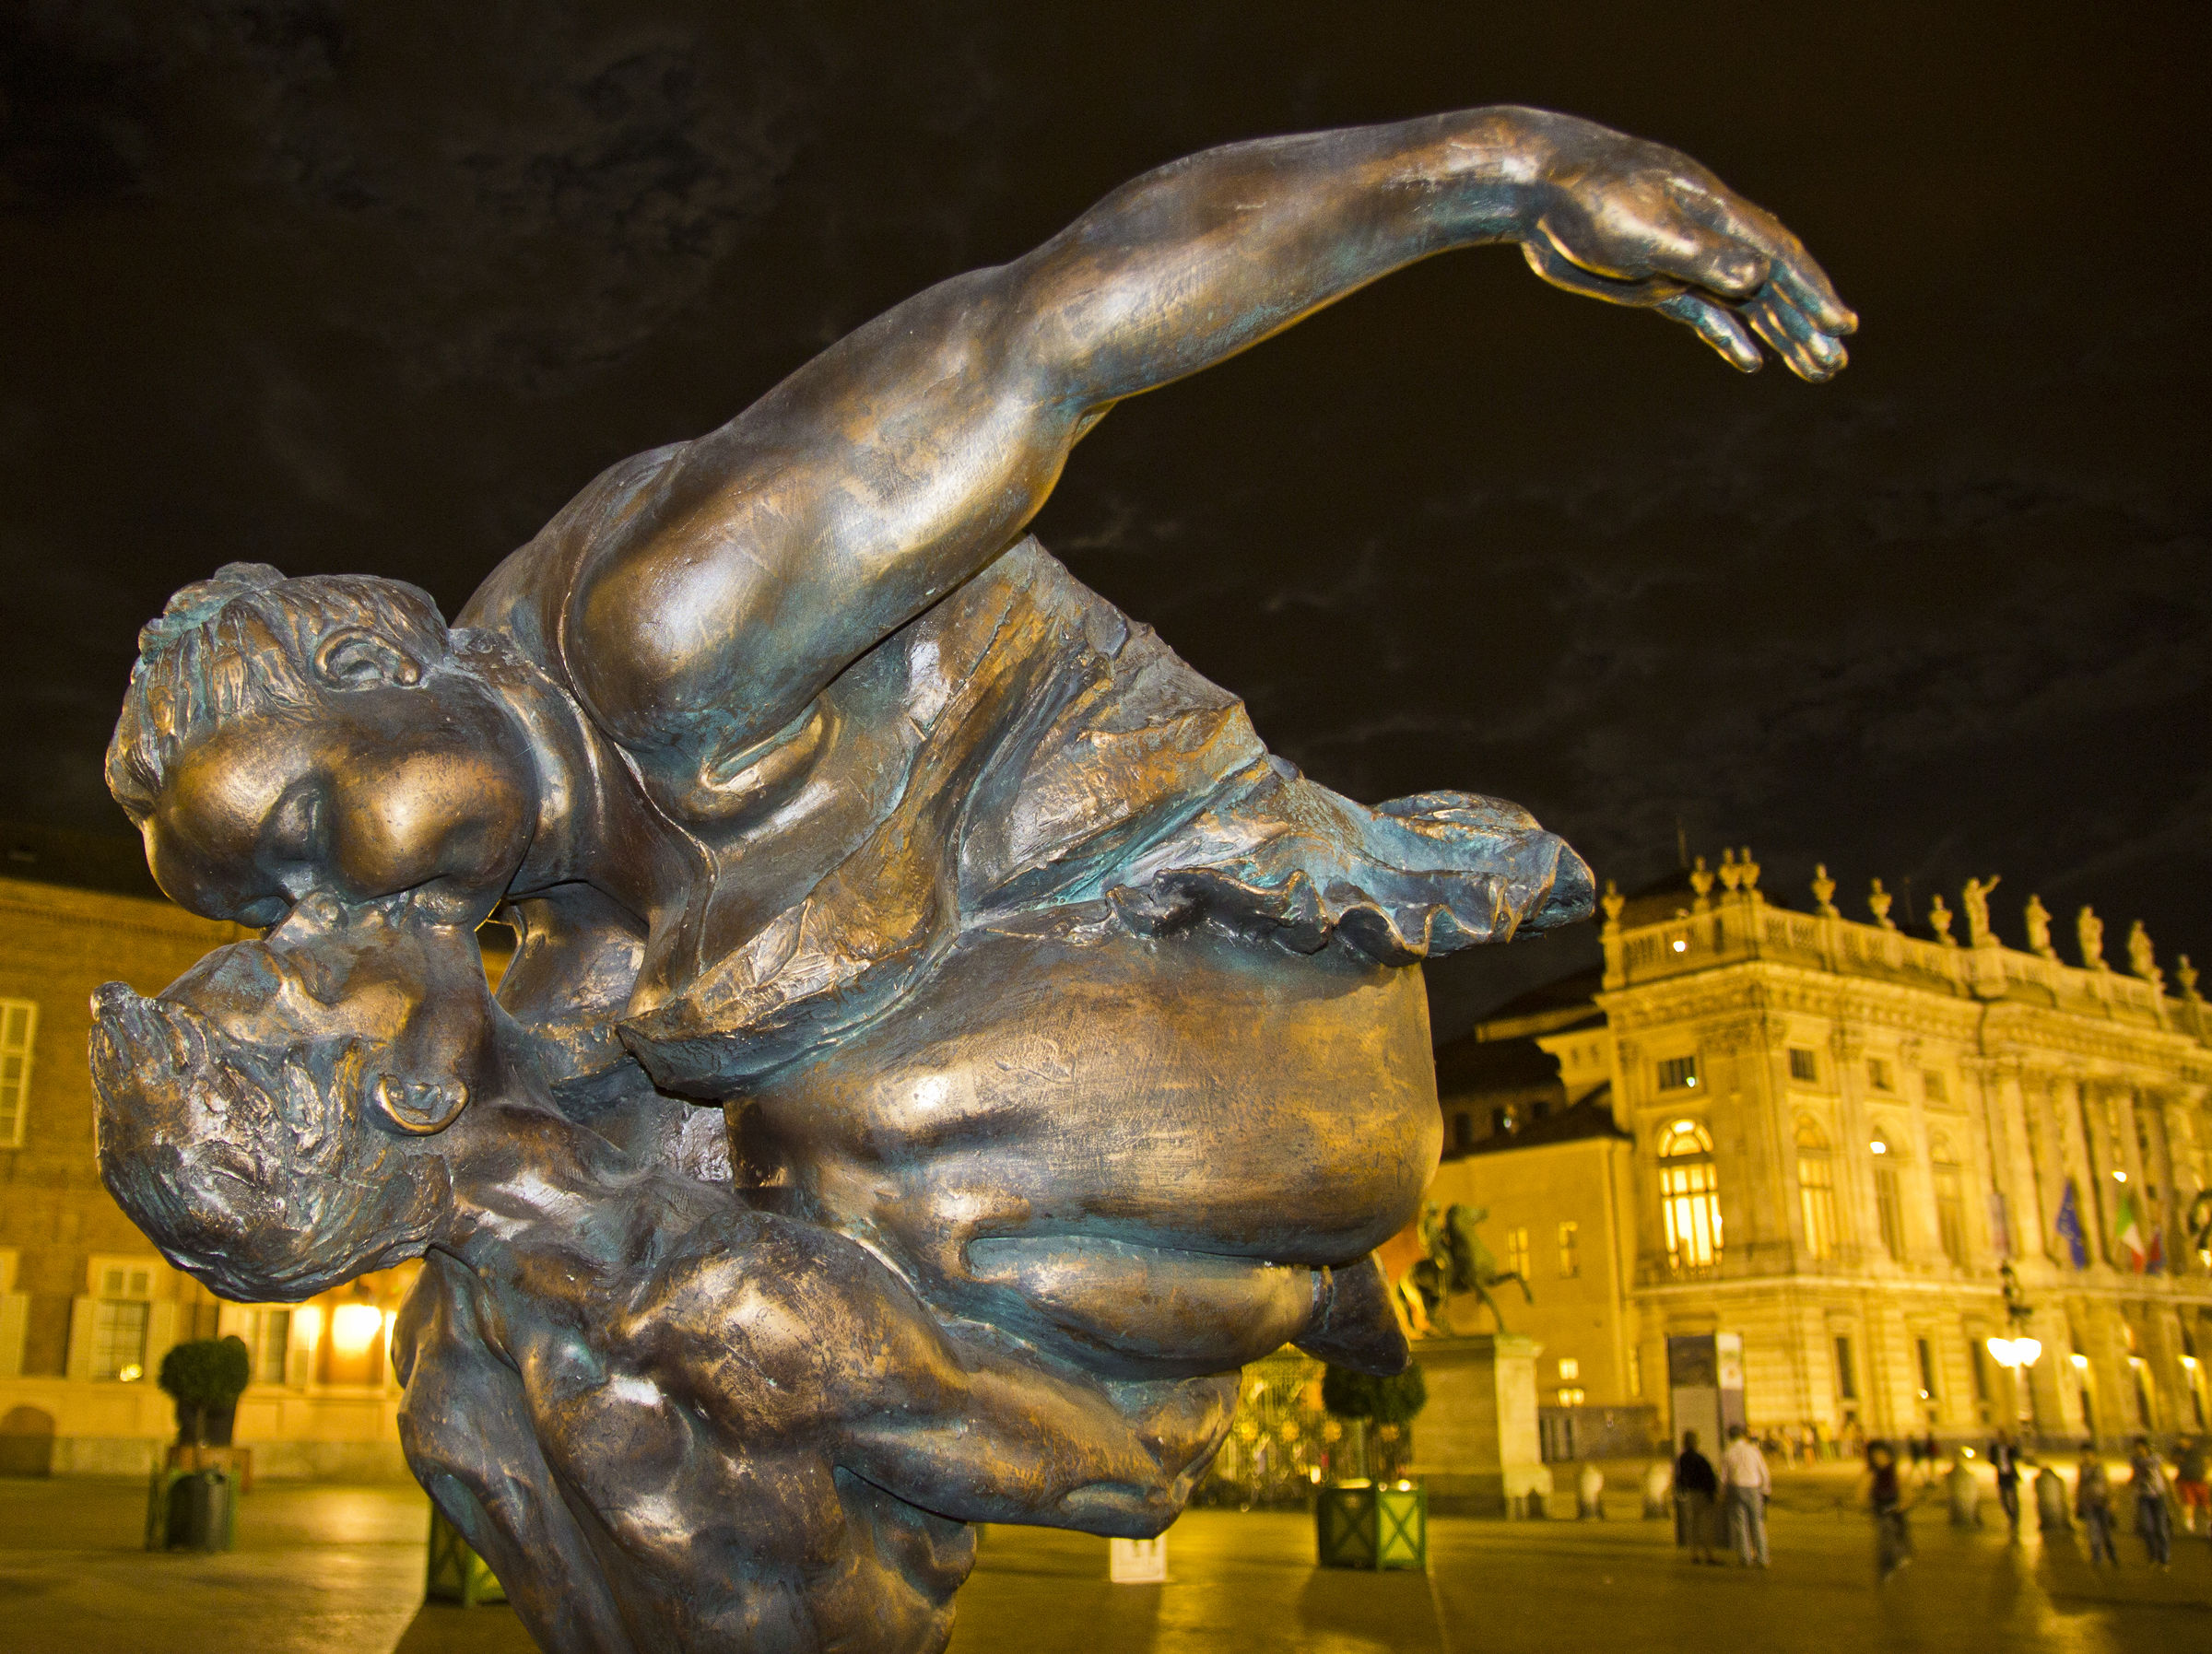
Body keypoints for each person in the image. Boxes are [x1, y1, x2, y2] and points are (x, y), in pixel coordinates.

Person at [100, 104, 1852, 1414]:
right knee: (565, 1291)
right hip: (1146, 1099)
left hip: (1229, 998)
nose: (347, 913)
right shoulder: (550, 876)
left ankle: (1274, 1285)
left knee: (795, 1150)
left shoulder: (674, 624)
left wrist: (1514, 169)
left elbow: (1057, 324)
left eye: (320, 819)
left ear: (378, 661)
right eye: (283, 912)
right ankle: (1268, 1293)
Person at [88, 917, 1231, 1654]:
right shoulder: (701, 1306)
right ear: (411, 1090)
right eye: (307, 967)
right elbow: (1128, 1478)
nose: (316, 918)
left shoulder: (443, 1371)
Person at [1720, 1424, 1772, 1567]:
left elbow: (1723, 1477)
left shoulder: (1728, 1452)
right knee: (1757, 1523)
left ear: (1729, 1436)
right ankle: (1762, 1557)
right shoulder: (1753, 1451)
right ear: (1743, 1435)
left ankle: (1745, 1557)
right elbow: (1764, 1472)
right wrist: (1766, 1491)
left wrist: (1723, 1493)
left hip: (1735, 1489)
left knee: (1740, 1524)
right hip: (1753, 1489)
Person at [1865, 1440, 1912, 1582]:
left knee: (1899, 1536)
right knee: (1886, 1540)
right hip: (1880, 1510)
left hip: (1896, 1509)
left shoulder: (1895, 1470)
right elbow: (1862, 1491)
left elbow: (1905, 1488)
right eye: (1875, 1456)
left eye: (1881, 1455)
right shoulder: (1872, 1473)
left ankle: (1899, 1558)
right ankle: (1887, 1568)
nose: (1879, 1459)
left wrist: (1904, 1503)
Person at [1677, 1431, 1722, 1565]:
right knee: (1706, 1526)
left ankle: (1694, 1555)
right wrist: (1713, 1494)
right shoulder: (1700, 1458)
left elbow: (1680, 1477)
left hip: (1691, 1494)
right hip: (1703, 1495)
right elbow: (1709, 1478)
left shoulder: (1682, 1458)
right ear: (1695, 1442)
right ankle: (1709, 1555)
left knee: (1693, 1526)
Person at [2129, 1436, 2173, 1568]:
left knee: (2161, 1528)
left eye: (2141, 1447)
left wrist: (2172, 1493)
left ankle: (2164, 1559)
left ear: (2146, 1447)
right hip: (2143, 1496)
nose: (2138, 1450)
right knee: (2147, 1528)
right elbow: (2134, 1476)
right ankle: (2153, 1557)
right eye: (2136, 1448)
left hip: (2159, 1495)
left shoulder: (2156, 1459)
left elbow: (2164, 1475)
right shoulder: (2134, 1461)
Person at [2076, 1442, 2118, 1566]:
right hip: (2089, 1503)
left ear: (2093, 1454)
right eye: (2083, 1454)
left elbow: (2107, 1483)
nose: (2086, 1457)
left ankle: (2112, 1556)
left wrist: (2112, 1500)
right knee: (2093, 1531)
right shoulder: (2082, 1468)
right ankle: (2097, 1558)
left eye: (2088, 1454)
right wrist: (2078, 1501)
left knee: (2106, 1532)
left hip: (2102, 1502)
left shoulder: (2100, 1467)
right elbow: (2080, 1485)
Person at [1989, 1429, 2025, 1539]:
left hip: (2011, 1475)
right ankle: (2011, 1515)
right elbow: (1990, 1459)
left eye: (2003, 1436)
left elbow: (2018, 1456)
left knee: (2014, 1498)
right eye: (2000, 1436)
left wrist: (2013, 1447)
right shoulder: (1994, 1447)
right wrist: (1996, 1462)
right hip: (2001, 1475)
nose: (2001, 1438)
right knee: (2003, 1499)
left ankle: (2016, 1518)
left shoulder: (2011, 1446)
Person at [2176, 1436, 2208, 1535]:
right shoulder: (2181, 1451)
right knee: (2190, 1503)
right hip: (2189, 1480)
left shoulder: (2194, 1452)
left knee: (2204, 1504)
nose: (2181, 1442)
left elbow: (2203, 1464)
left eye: (2182, 1440)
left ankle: (2202, 1524)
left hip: (2196, 1480)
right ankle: (2189, 1524)